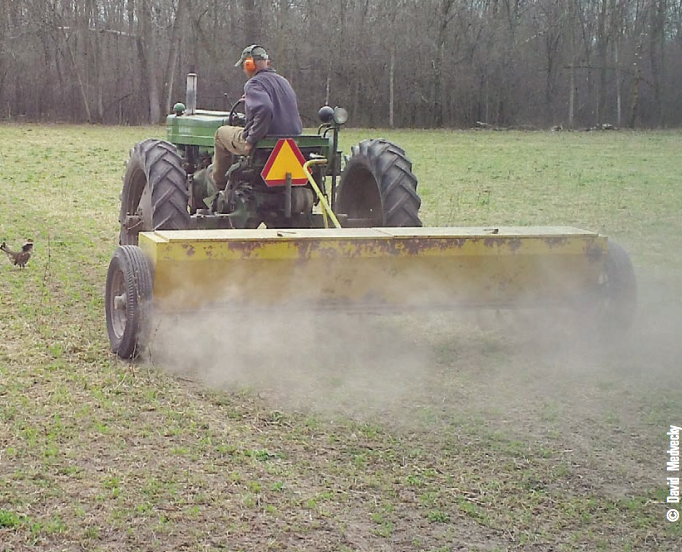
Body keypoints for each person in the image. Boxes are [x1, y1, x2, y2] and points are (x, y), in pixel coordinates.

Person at [213, 45, 303, 190]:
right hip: (292, 137)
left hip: (267, 139)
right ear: (267, 63)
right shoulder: (283, 82)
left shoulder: (253, 83)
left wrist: (251, 139)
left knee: (220, 134)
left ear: (249, 65)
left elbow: (265, 108)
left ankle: (219, 187)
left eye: (244, 65)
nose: (244, 70)